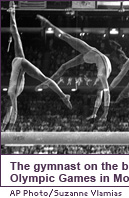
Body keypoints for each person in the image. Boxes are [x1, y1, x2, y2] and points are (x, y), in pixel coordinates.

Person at [2, 2, 72, 132]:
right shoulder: (12, 96)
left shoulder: (12, 93)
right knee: (16, 35)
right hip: (17, 64)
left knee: (44, 78)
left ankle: (63, 95)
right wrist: (2, 129)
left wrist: (10, 130)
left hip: (20, 64)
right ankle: (12, 12)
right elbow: (8, 113)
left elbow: (14, 112)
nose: (8, 106)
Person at [35, 15, 112, 122]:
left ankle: (47, 82)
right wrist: (105, 113)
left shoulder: (101, 82)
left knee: (64, 66)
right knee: (67, 37)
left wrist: (94, 114)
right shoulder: (102, 77)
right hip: (92, 53)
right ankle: (47, 23)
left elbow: (99, 98)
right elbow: (107, 94)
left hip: (93, 59)